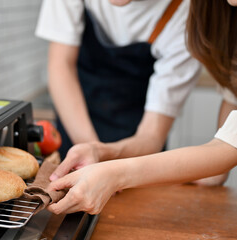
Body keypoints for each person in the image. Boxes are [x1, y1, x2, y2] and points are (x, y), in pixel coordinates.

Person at [45, 0, 237, 215]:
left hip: (136, 137)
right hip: (83, 131)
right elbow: (227, 141)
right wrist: (98, 151)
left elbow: (225, 149)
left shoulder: (190, 13)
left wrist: (113, 173)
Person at [36, 0, 201, 167]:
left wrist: (102, 159)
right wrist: (89, 152)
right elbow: (61, 64)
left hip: (137, 144)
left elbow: (151, 136)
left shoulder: (187, 14)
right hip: (76, 118)